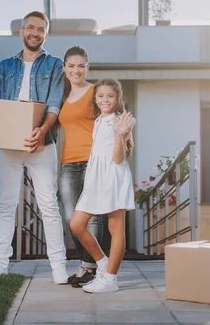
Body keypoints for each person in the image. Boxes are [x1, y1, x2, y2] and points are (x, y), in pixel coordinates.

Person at [0, 11, 69, 284]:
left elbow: (54, 105)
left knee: (49, 205)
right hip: (7, 145)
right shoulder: (4, 66)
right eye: (30, 27)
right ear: (21, 31)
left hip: (42, 144)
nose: (35, 32)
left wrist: (42, 131)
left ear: (46, 34)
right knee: (6, 205)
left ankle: (58, 267)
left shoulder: (54, 65)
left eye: (41, 29)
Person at [70, 78, 136, 293]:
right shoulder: (99, 120)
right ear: (95, 98)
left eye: (110, 96)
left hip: (113, 176)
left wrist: (119, 134)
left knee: (115, 228)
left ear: (117, 98)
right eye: (101, 96)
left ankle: (110, 279)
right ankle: (102, 264)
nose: (105, 99)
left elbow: (118, 158)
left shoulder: (120, 121)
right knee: (77, 224)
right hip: (95, 178)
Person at [57, 46, 104, 288]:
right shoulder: (62, 94)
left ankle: (89, 267)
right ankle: (93, 263)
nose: (76, 70)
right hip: (68, 162)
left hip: (92, 161)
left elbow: (114, 119)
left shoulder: (97, 91)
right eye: (71, 66)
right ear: (64, 68)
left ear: (88, 67)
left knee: (92, 216)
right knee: (71, 216)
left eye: (81, 66)